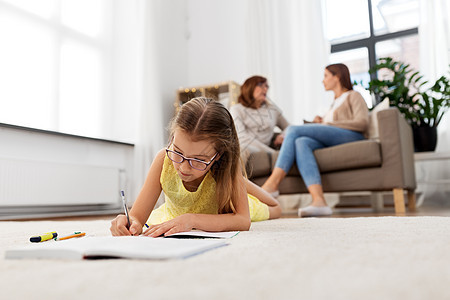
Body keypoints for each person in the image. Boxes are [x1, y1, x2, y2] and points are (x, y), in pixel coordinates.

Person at [111, 97, 281, 237]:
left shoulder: (226, 167)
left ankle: (241, 184)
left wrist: (192, 220)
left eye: (199, 160)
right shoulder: (164, 158)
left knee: (275, 208)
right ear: (172, 138)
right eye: (177, 152)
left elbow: (243, 220)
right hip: (176, 214)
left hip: (223, 210)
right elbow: (137, 217)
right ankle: (238, 182)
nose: (184, 168)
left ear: (218, 156)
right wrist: (128, 223)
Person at [261, 63, 369, 217]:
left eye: (325, 76)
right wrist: (321, 121)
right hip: (334, 136)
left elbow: (362, 122)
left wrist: (328, 123)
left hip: (352, 136)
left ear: (337, 76)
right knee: (301, 142)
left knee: (292, 130)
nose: (322, 80)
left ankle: (272, 185)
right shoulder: (333, 104)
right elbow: (329, 125)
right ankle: (319, 201)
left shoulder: (353, 95)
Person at [230, 76, 289, 155]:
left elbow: (289, 127)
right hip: (248, 148)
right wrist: (272, 153)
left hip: (266, 151)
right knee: (242, 148)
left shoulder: (272, 110)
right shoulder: (236, 109)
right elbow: (242, 137)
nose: (265, 89)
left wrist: (283, 135)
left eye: (267, 86)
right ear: (249, 88)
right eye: (261, 85)